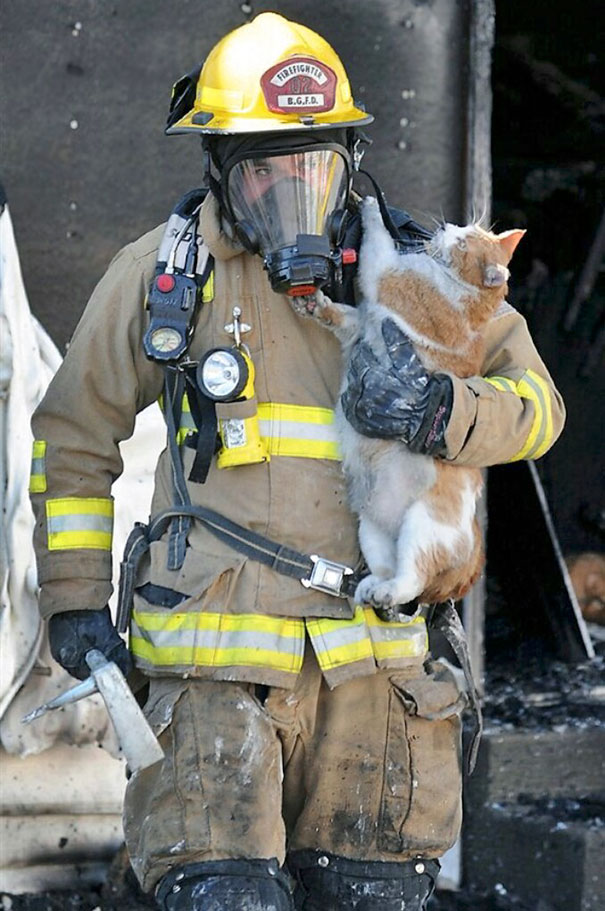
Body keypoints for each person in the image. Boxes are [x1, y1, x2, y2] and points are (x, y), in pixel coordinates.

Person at [29, 12, 565, 911]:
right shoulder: (163, 273)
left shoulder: (427, 272)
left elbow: (539, 408)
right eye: (262, 169)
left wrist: (445, 410)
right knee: (223, 899)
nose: (289, 191)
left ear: (348, 162)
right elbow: (72, 440)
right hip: (212, 687)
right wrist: (73, 600)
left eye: (310, 167)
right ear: (220, 171)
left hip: (377, 686)